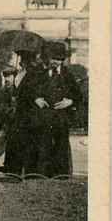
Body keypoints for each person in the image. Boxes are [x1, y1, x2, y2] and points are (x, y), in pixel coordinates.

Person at [22, 42, 80, 177]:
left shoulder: (67, 75)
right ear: (47, 57)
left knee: (61, 145)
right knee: (40, 144)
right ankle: (38, 174)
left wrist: (69, 101)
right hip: (41, 116)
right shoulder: (36, 73)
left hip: (60, 116)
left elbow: (78, 95)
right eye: (53, 58)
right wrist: (35, 99)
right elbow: (24, 91)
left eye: (59, 59)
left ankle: (61, 174)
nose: (55, 62)